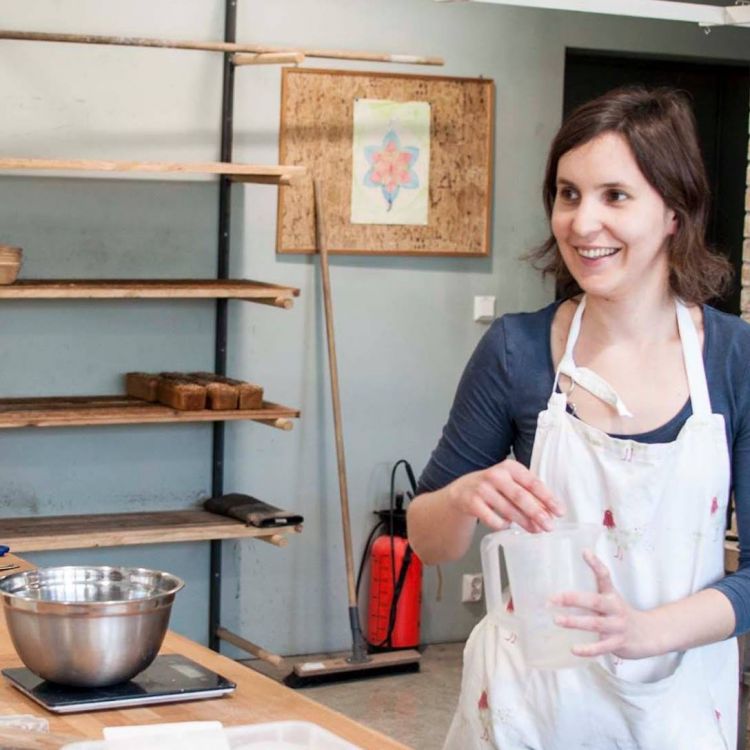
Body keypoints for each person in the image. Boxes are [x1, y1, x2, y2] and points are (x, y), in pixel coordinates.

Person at [407, 86, 750, 749]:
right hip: (523, 709)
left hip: (672, 709)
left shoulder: (734, 361)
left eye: (614, 196)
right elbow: (429, 541)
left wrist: (640, 631)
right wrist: (461, 495)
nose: (581, 222)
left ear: (674, 212)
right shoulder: (515, 351)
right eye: (569, 194)